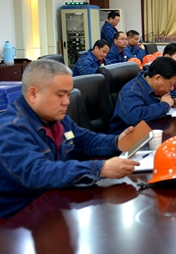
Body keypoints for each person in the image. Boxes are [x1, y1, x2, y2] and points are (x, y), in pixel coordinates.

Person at [0, 60, 138, 218]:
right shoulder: (11, 129)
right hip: (17, 219)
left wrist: (116, 142)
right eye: (60, 95)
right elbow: (37, 172)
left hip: (54, 203)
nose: (67, 101)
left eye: (68, 94)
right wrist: (99, 168)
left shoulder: (56, 118)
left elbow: (85, 140)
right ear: (33, 94)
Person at [109, 57, 176, 135]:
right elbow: (136, 117)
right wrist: (164, 105)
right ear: (157, 78)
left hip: (149, 131)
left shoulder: (152, 85)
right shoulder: (131, 91)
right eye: (171, 84)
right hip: (126, 137)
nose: (172, 88)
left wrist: (172, 100)